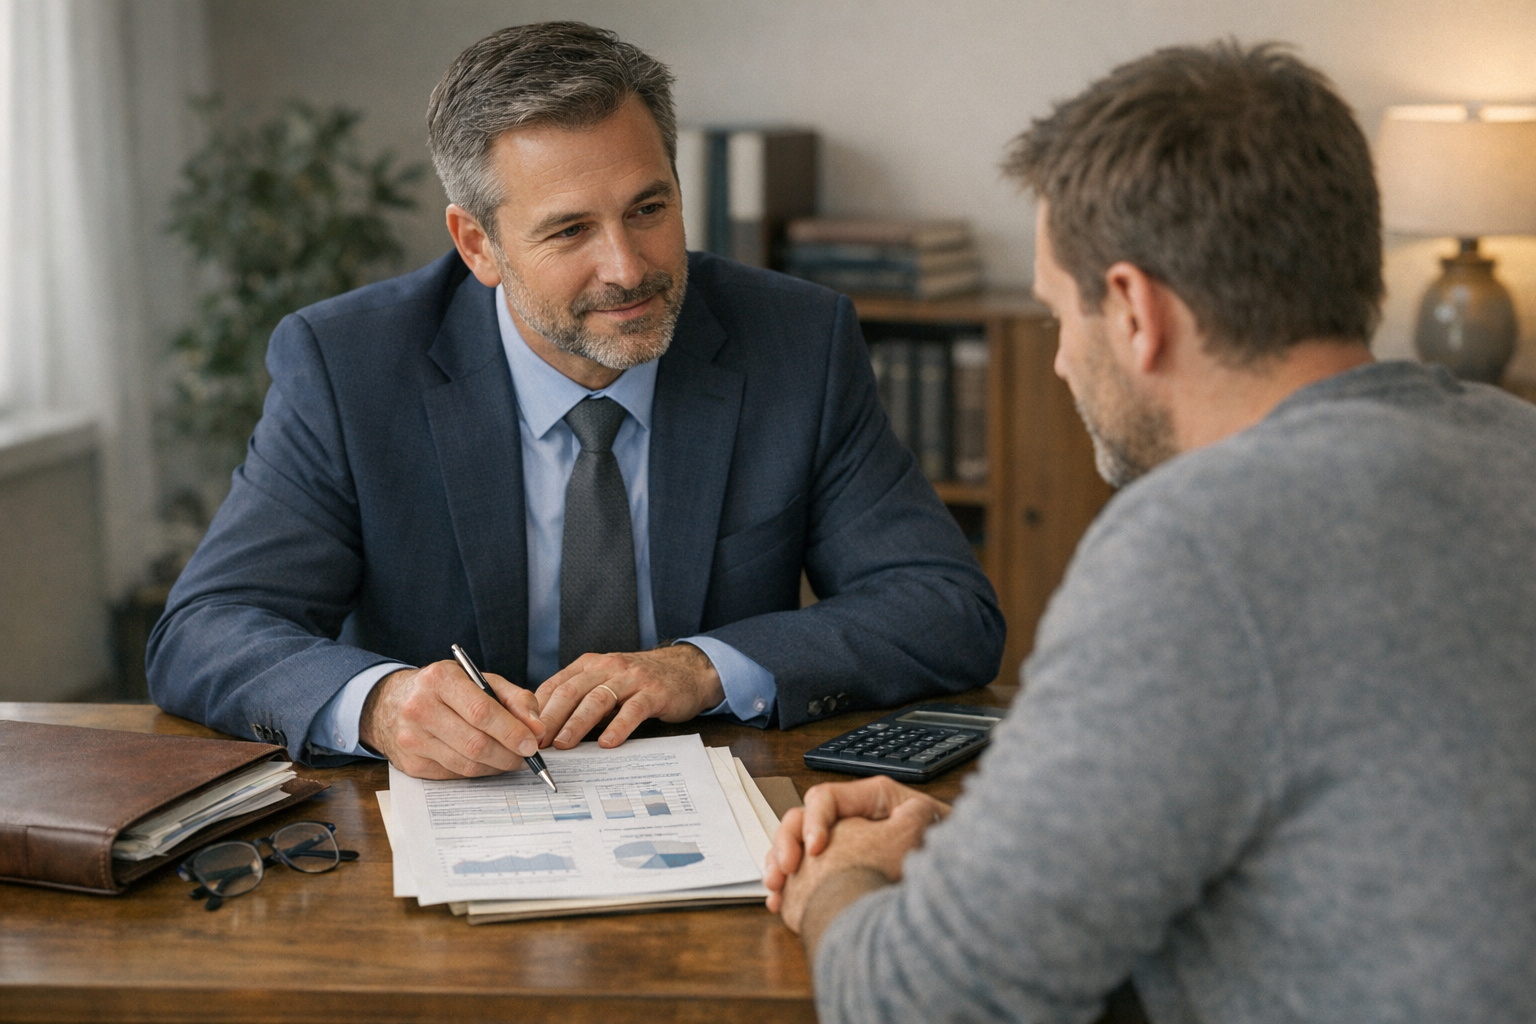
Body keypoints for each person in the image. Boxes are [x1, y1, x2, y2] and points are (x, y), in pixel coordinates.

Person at [765, 40, 1536, 1024]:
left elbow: (922, 1001)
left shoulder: (1196, 546)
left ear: (1133, 309)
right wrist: (986, 849)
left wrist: (835, 877)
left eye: (1058, 314)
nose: (1056, 363)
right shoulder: (1514, 440)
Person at [147, 22, 1003, 779]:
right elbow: (207, 629)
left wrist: (705, 667)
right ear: (477, 243)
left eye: (649, 208)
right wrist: (379, 703)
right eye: (570, 231)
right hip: (439, 830)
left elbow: (943, 608)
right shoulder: (349, 365)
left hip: (724, 815)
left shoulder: (796, 343)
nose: (628, 267)